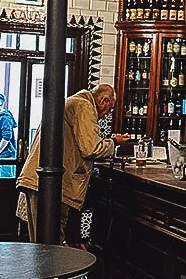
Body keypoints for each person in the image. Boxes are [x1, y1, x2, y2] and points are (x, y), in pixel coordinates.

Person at [16, 84, 129, 246]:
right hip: (52, 183)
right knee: (50, 243)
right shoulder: (84, 106)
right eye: (109, 108)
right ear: (103, 100)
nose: (106, 114)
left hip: (38, 181)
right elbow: (91, 148)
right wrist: (114, 142)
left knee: (42, 241)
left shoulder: (73, 101)